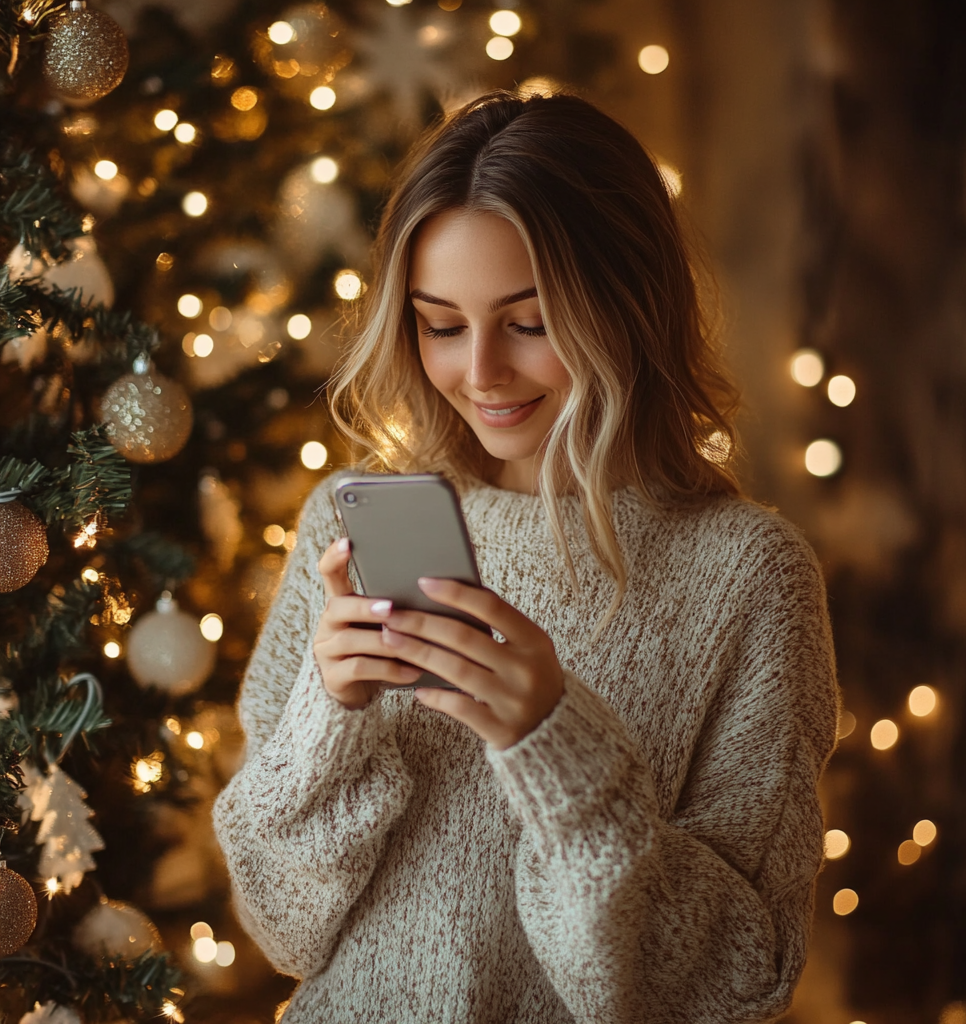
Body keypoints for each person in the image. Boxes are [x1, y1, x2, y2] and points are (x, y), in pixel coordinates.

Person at [212, 90, 839, 1023]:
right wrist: (327, 715)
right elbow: (284, 929)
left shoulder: (748, 576)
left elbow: (738, 980)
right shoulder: (343, 534)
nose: (480, 372)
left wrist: (556, 745)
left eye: (530, 321)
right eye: (440, 323)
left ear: (627, 302)